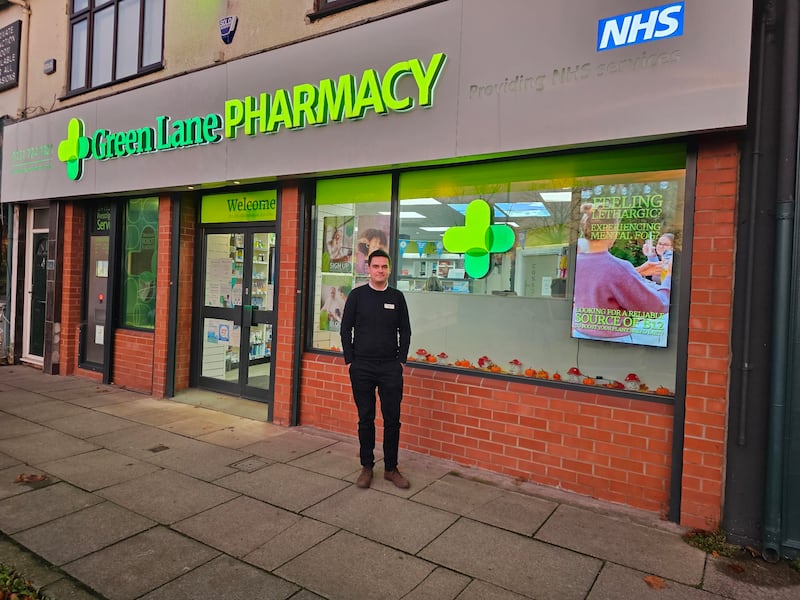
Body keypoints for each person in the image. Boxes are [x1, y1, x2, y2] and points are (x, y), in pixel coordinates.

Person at [340, 249, 412, 489]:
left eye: (384, 266)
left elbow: (405, 330)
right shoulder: (357, 296)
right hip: (362, 367)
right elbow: (345, 328)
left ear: (389, 269)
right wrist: (350, 360)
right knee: (366, 418)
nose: (380, 270)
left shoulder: (397, 297)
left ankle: (391, 468)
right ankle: (367, 466)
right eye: (376, 266)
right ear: (368, 269)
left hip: (390, 367)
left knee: (393, 419)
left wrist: (401, 360)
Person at [572, 203, 670, 342]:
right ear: (608, 230)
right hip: (614, 346)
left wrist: (638, 271)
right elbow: (657, 306)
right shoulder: (618, 267)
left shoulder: (576, 262)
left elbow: (600, 279)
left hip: (580, 337)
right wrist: (669, 277)